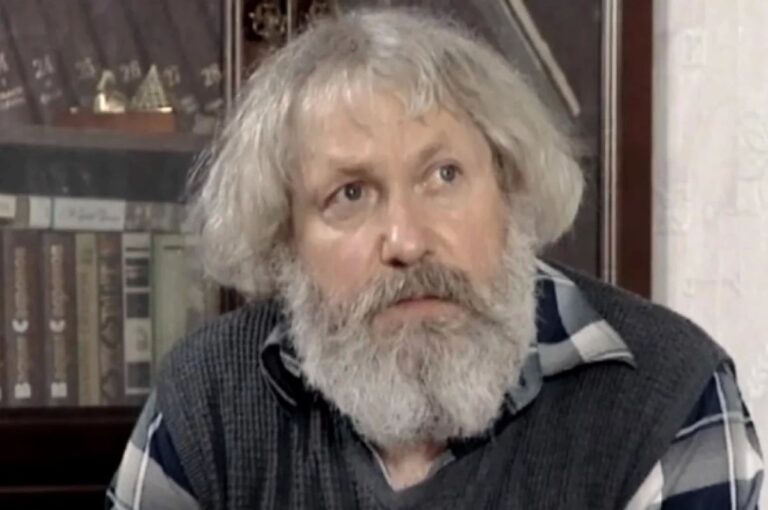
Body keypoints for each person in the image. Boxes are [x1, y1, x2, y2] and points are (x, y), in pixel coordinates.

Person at [107, 8, 763, 510]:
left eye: (444, 175)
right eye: (351, 193)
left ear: (509, 188)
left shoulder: (672, 396)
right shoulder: (209, 399)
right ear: (286, 241)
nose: (406, 239)